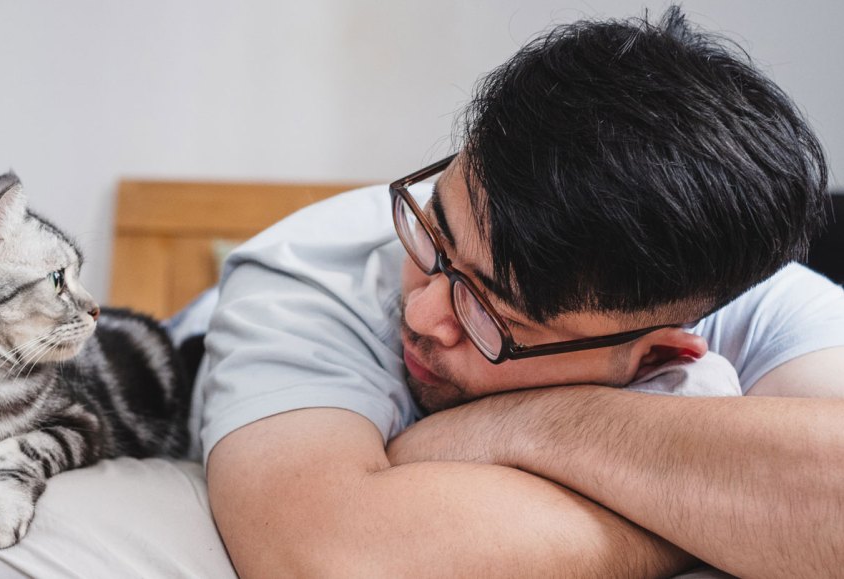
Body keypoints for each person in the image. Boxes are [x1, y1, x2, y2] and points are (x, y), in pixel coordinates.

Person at [190, 7, 844, 577]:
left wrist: (535, 425)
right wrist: (725, 516)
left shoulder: (747, 294)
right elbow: (334, 558)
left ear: (654, 355)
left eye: (492, 315)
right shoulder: (305, 273)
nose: (422, 313)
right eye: (436, 234)